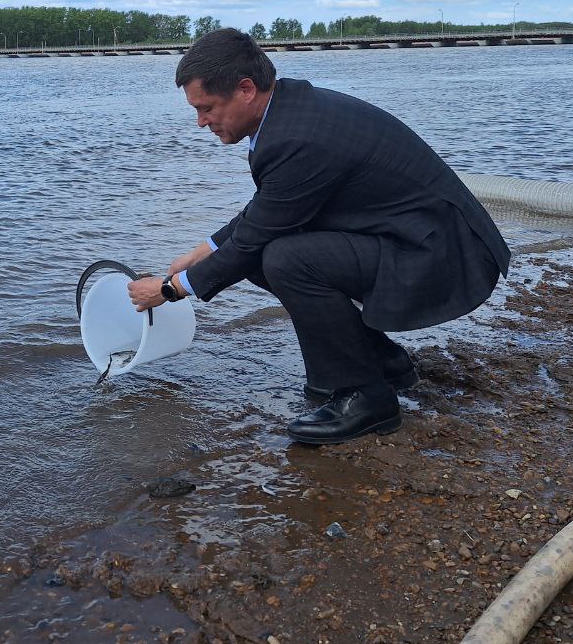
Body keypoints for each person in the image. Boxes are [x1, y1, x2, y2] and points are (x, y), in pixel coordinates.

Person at [128, 28, 511, 445]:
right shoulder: (291, 111)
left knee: (286, 259)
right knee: (271, 252)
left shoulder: (296, 138)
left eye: (207, 108)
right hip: (418, 239)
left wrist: (168, 290)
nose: (201, 122)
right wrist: (206, 249)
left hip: (442, 256)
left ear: (245, 89)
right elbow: (272, 208)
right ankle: (384, 364)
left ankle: (366, 397)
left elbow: (260, 235)